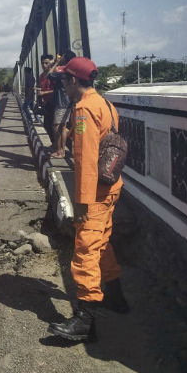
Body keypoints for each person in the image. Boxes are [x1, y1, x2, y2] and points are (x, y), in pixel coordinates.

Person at [47, 57, 129, 342]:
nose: (63, 85)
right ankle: (116, 298)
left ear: (73, 81)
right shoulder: (105, 104)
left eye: (63, 80)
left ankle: (85, 321)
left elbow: (84, 161)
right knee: (102, 242)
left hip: (94, 194)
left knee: (85, 252)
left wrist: (80, 202)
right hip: (111, 188)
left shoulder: (83, 111)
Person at [49, 50, 77, 158]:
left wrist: (57, 62)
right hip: (68, 101)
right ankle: (62, 150)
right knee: (63, 126)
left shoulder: (63, 71)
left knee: (56, 126)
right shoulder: (71, 71)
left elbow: (50, 75)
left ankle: (60, 150)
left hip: (61, 102)